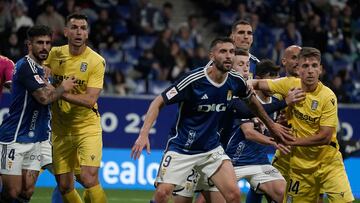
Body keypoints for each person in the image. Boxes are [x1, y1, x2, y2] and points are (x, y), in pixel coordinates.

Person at [131, 37, 293, 203]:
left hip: (212, 150)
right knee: (162, 194)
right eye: (223, 51)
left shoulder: (235, 80)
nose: (229, 56)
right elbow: (158, 101)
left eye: (231, 52)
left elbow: (252, 102)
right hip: (183, 148)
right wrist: (143, 135)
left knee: (234, 195)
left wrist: (271, 125)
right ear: (212, 56)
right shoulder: (194, 80)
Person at [250, 47, 354, 202]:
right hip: (300, 167)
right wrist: (242, 86)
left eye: (314, 66)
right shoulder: (289, 84)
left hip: (328, 164)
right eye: (305, 66)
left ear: (321, 70)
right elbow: (255, 83)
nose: (310, 70)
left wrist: (291, 140)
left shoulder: (328, 97)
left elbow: (325, 137)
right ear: (298, 69)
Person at [0, 25, 76, 202]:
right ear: (29, 45)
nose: (44, 47)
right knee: (12, 192)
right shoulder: (25, 66)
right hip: (13, 137)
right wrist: (63, 87)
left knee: (27, 191)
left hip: (34, 138)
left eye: (48, 43)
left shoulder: (42, 70)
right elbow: (43, 98)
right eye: (39, 43)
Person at [44, 13, 107, 203]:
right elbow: (40, 72)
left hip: (86, 127)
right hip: (60, 129)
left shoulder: (96, 61)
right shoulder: (54, 54)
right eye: (74, 27)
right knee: (64, 186)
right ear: (66, 32)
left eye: (83, 28)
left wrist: (60, 91)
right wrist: (43, 71)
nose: (79, 32)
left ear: (87, 34)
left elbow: (90, 100)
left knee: (88, 178)